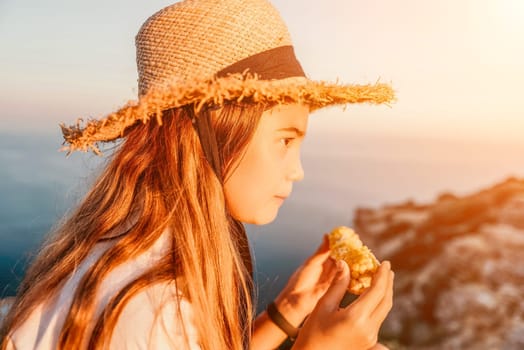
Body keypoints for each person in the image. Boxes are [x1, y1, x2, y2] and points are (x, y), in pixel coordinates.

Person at [0, 0, 395, 349]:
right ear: (208, 131)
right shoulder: (152, 308)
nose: (298, 170)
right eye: (285, 140)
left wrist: (286, 314)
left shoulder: (129, 251)